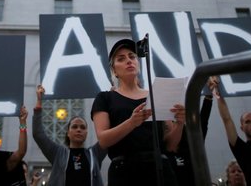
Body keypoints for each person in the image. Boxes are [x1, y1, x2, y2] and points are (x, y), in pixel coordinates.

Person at [90, 38, 184, 186]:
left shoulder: (156, 95)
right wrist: (132, 122)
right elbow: (103, 139)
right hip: (125, 172)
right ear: (114, 70)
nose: (129, 61)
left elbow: (171, 145)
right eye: (121, 59)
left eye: (132, 56)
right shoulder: (105, 98)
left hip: (160, 171)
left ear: (138, 64)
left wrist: (180, 123)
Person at [33, 84, 107, 186]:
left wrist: (114, 99)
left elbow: (111, 134)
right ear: (68, 133)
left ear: (86, 132)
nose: (79, 130)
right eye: (74, 127)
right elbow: (38, 134)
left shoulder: (95, 153)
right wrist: (38, 104)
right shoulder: (58, 153)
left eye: (82, 127)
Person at [167, 76, 217, 184]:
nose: (174, 121)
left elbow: (202, 122)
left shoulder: (191, 143)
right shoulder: (161, 148)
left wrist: (209, 95)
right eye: (170, 121)